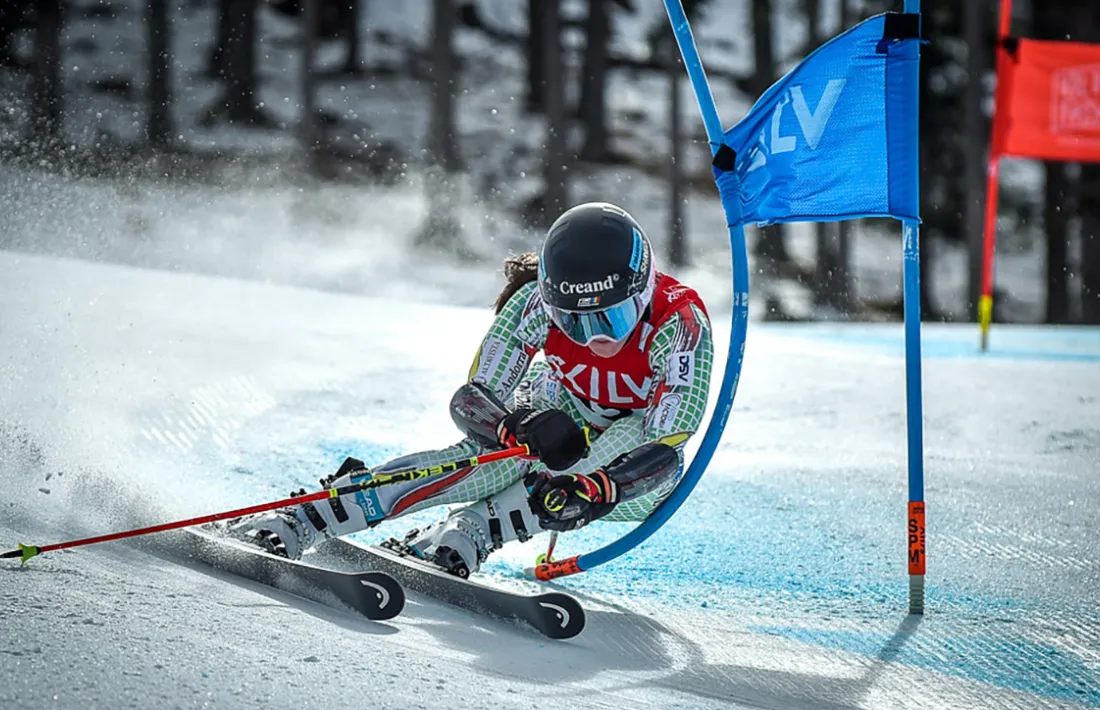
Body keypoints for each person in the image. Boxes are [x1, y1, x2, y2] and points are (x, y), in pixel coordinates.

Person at [225, 201, 714, 578]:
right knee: (492, 463)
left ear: (643, 289)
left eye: (613, 319)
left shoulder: (680, 323)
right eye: (574, 323)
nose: (594, 340)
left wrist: (602, 488)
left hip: (637, 470)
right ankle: (310, 515)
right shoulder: (535, 304)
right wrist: (513, 426)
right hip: (556, 403)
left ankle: (473, 529)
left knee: (601, 459)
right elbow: (472, 399)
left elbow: (666, 446)